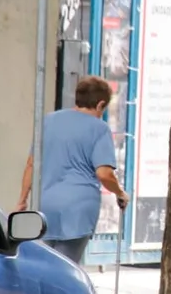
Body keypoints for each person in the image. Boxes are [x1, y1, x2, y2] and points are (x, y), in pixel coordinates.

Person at [16, 75, 128, 263]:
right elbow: (104, 174)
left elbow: (31, 164)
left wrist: (22, 200)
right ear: (100, 105)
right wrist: (120, 193)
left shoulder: (48, 121)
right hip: (78, 211)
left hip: (45, 205)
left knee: (42, 265)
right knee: (65, 269)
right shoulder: (99, 129)